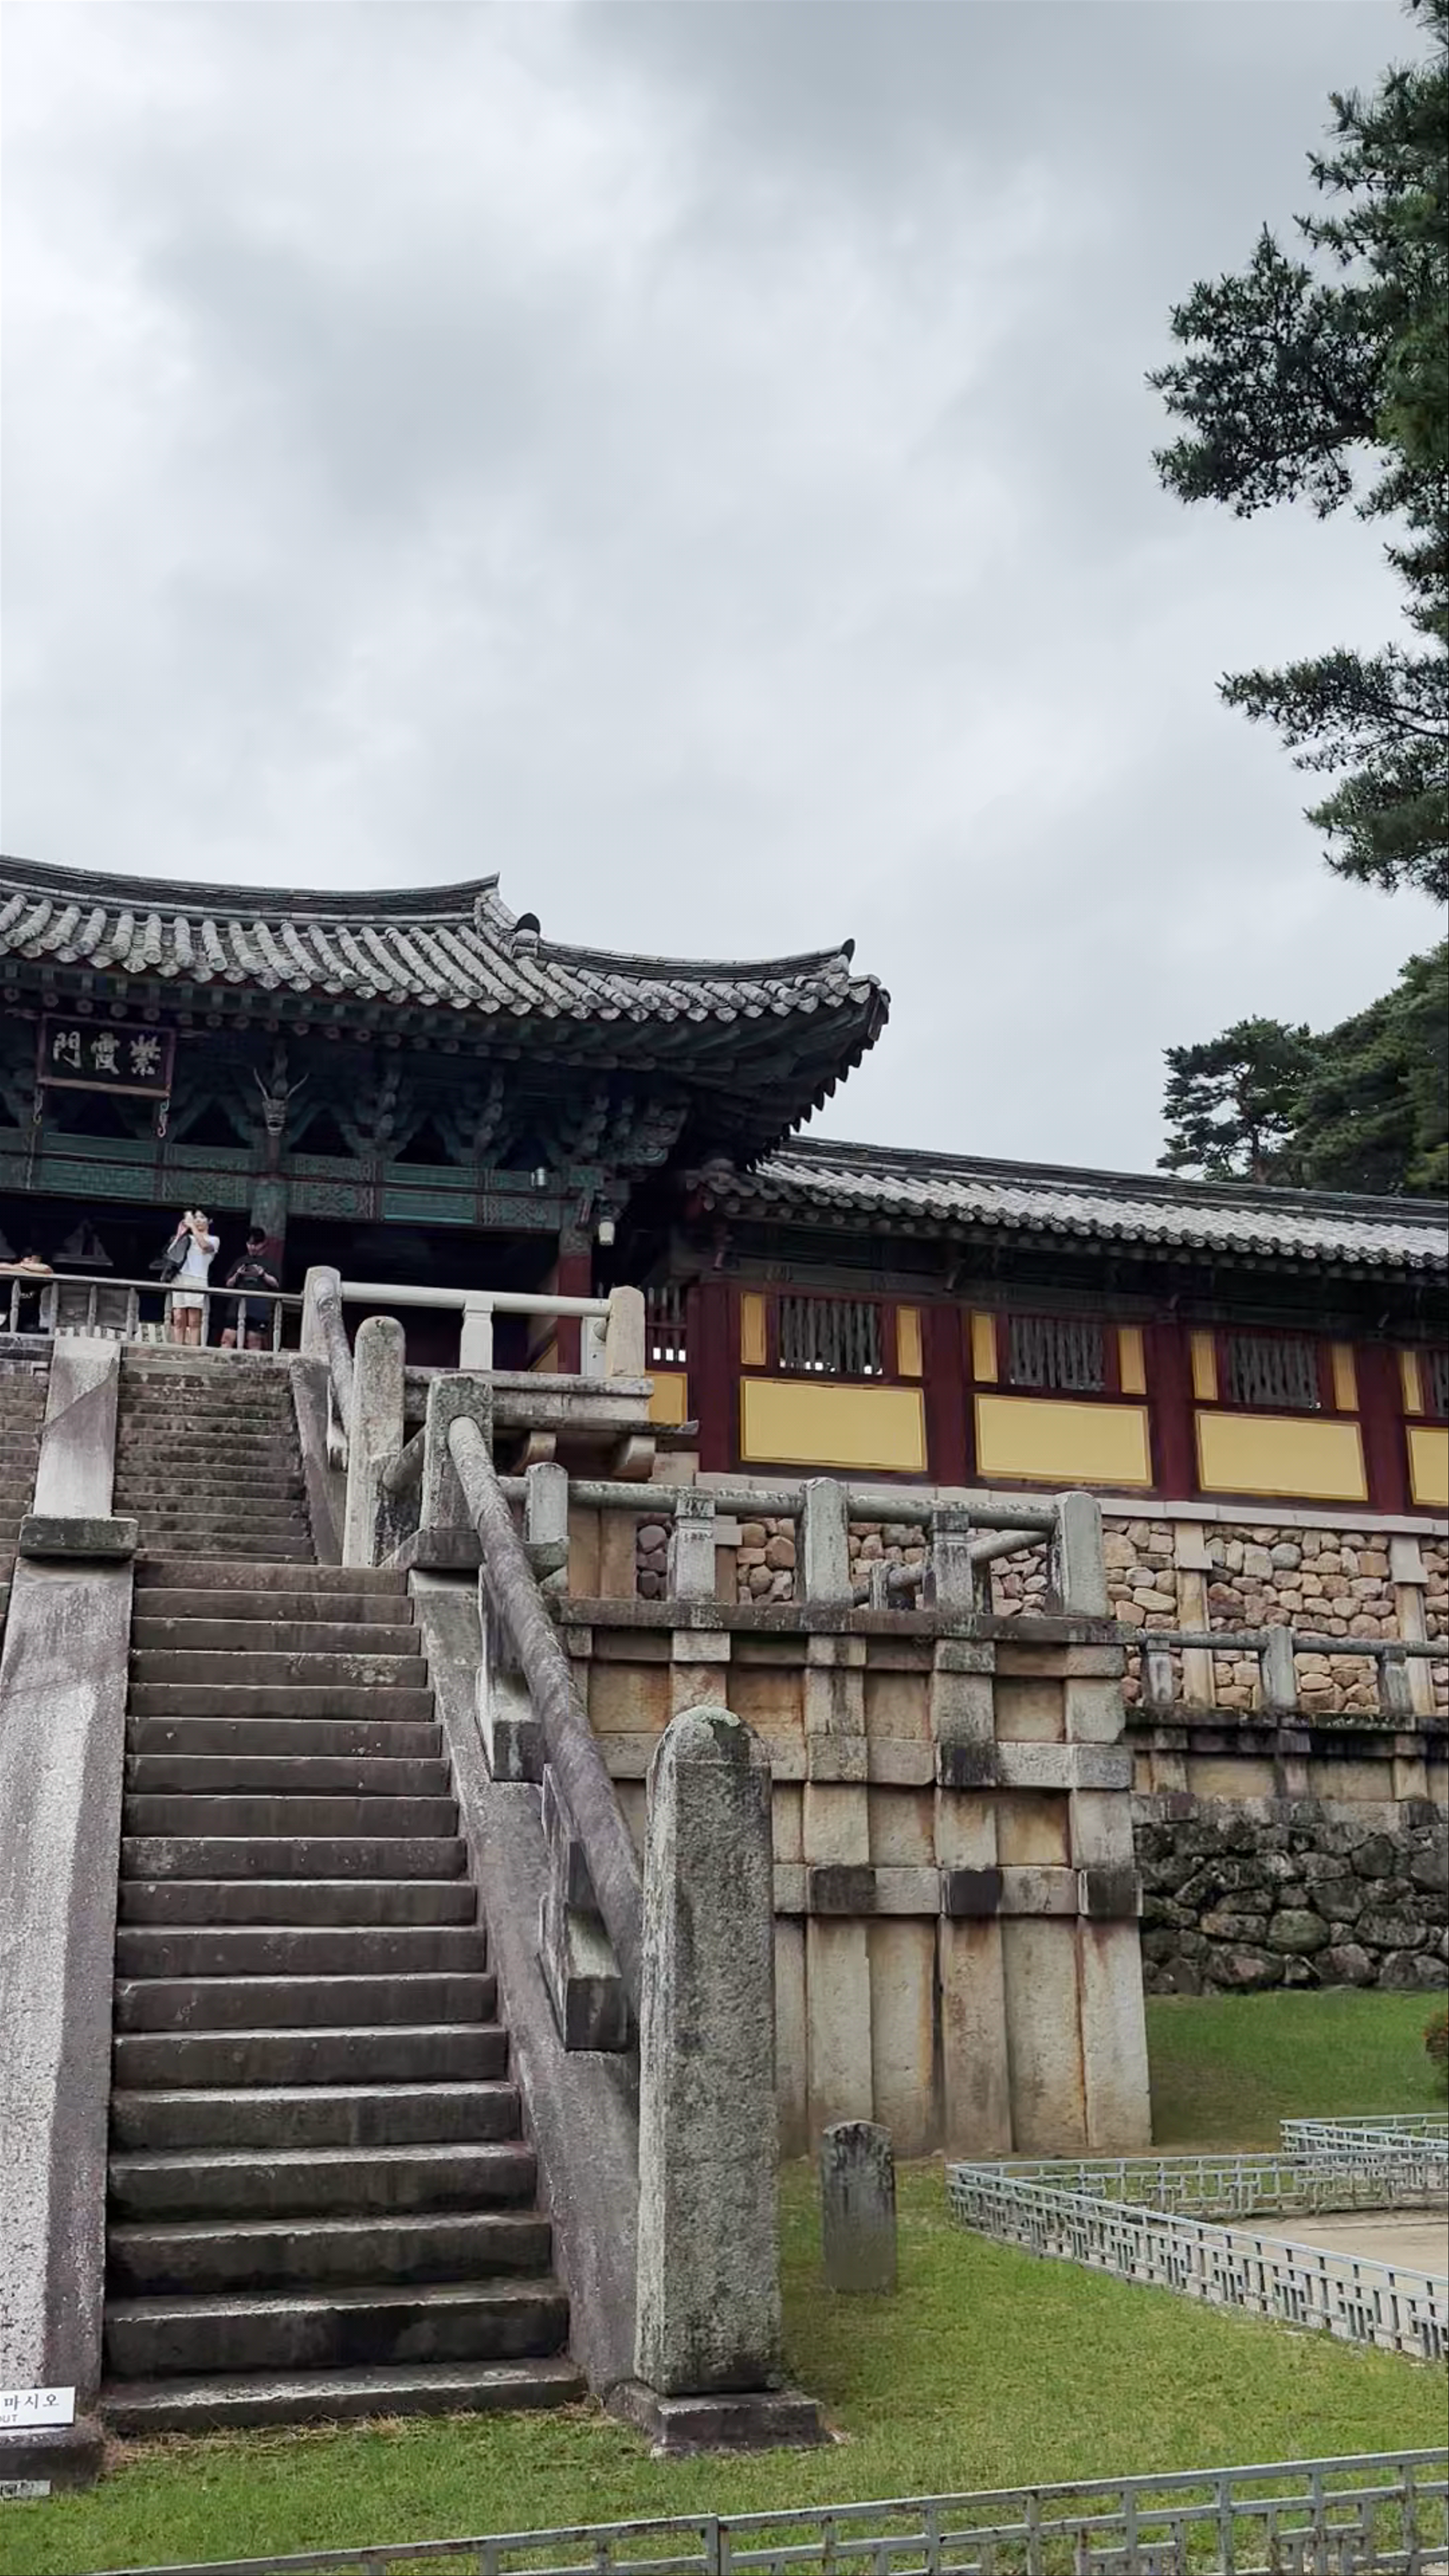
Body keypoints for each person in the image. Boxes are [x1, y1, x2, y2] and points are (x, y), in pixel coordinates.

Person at [221, 1227, 281, 1351]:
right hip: (237, 1305)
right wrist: (238, 1274)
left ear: (263, 1244)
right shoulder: (241, 1261)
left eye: (256, 1245)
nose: (252, 1248)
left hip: (259, 1307)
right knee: (228, 1338)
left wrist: (263, 1274)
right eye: (250, 1244)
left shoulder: (270, 1263)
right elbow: (229, 1284)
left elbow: (276, 1284)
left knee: (254, 1340)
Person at [166, 1209, 218, 1346]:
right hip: (181, 1278)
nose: (199, 1221)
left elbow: (205, 1247)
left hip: (198, 1279)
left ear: (210, 1221)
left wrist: (193, 1227)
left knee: (194, 1319)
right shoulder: (188, 1238)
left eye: (202, 1218)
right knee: (178, 1318)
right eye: (196, 1218)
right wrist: (181, 1233)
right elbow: (171, 1253)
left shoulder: (214, 1240)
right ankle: (178, 1347)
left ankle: (194, 1349)